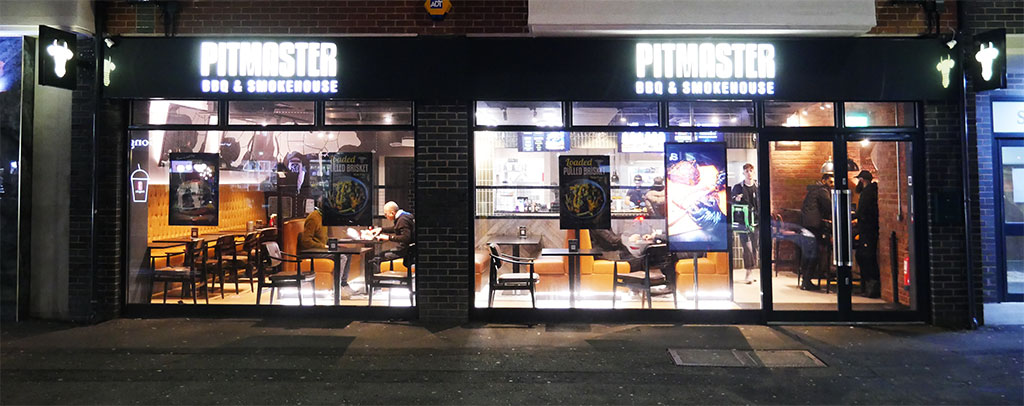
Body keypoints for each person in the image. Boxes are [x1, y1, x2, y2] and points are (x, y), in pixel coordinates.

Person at [799, 173, 834, 290]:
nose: (832, 185)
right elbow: (829, 206)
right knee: (815, 252)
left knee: (809, 252)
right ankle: (807, 280)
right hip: (814, 225)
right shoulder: (822, 191)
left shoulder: (813, 190)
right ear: (824, 181)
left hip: (806, 224)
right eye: (830, 182)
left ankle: (805, 279)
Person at [731, 163, 760, 284]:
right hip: (743, 222)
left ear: (754, 172)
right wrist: (736, 199)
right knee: (747, 247)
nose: (749, 173)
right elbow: (731, 201)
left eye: (750, 171)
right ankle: (748, 272)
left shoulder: (758, 187)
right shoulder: (738, 187)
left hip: (756, 222)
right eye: (746, 171)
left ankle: (751, 271)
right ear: (743, 173)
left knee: (754, 247)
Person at [853, 170, 880, 298]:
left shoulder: (866, 193)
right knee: (865, 256)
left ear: (862, 180)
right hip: (870, 228)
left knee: (864, 256)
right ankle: (869, 285)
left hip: (867, 229)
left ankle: (871, 284)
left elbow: (862, 211)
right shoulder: (873, 191)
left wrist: (855, 218)